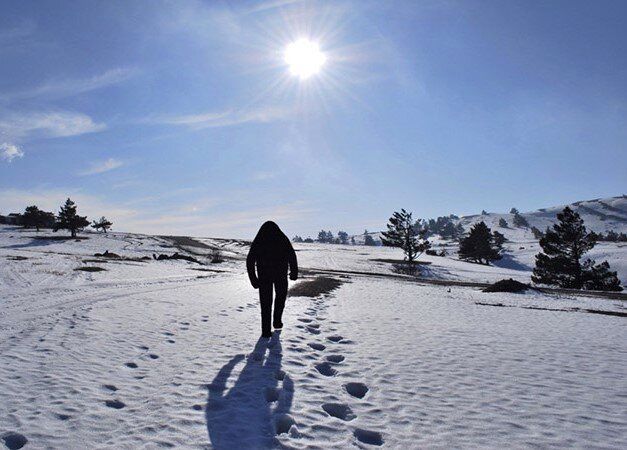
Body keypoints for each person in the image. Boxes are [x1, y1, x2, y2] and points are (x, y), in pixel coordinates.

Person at [247, 221, 298, 338]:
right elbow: (292, 255)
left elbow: (250, 260)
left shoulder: (259, 239)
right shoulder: (282, 237)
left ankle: (266, 330)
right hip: (280, 274)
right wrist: (294, 272)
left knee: (266, 303)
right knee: (280, 297)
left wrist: (253, 279)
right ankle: (277, 321)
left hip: (264, 275)